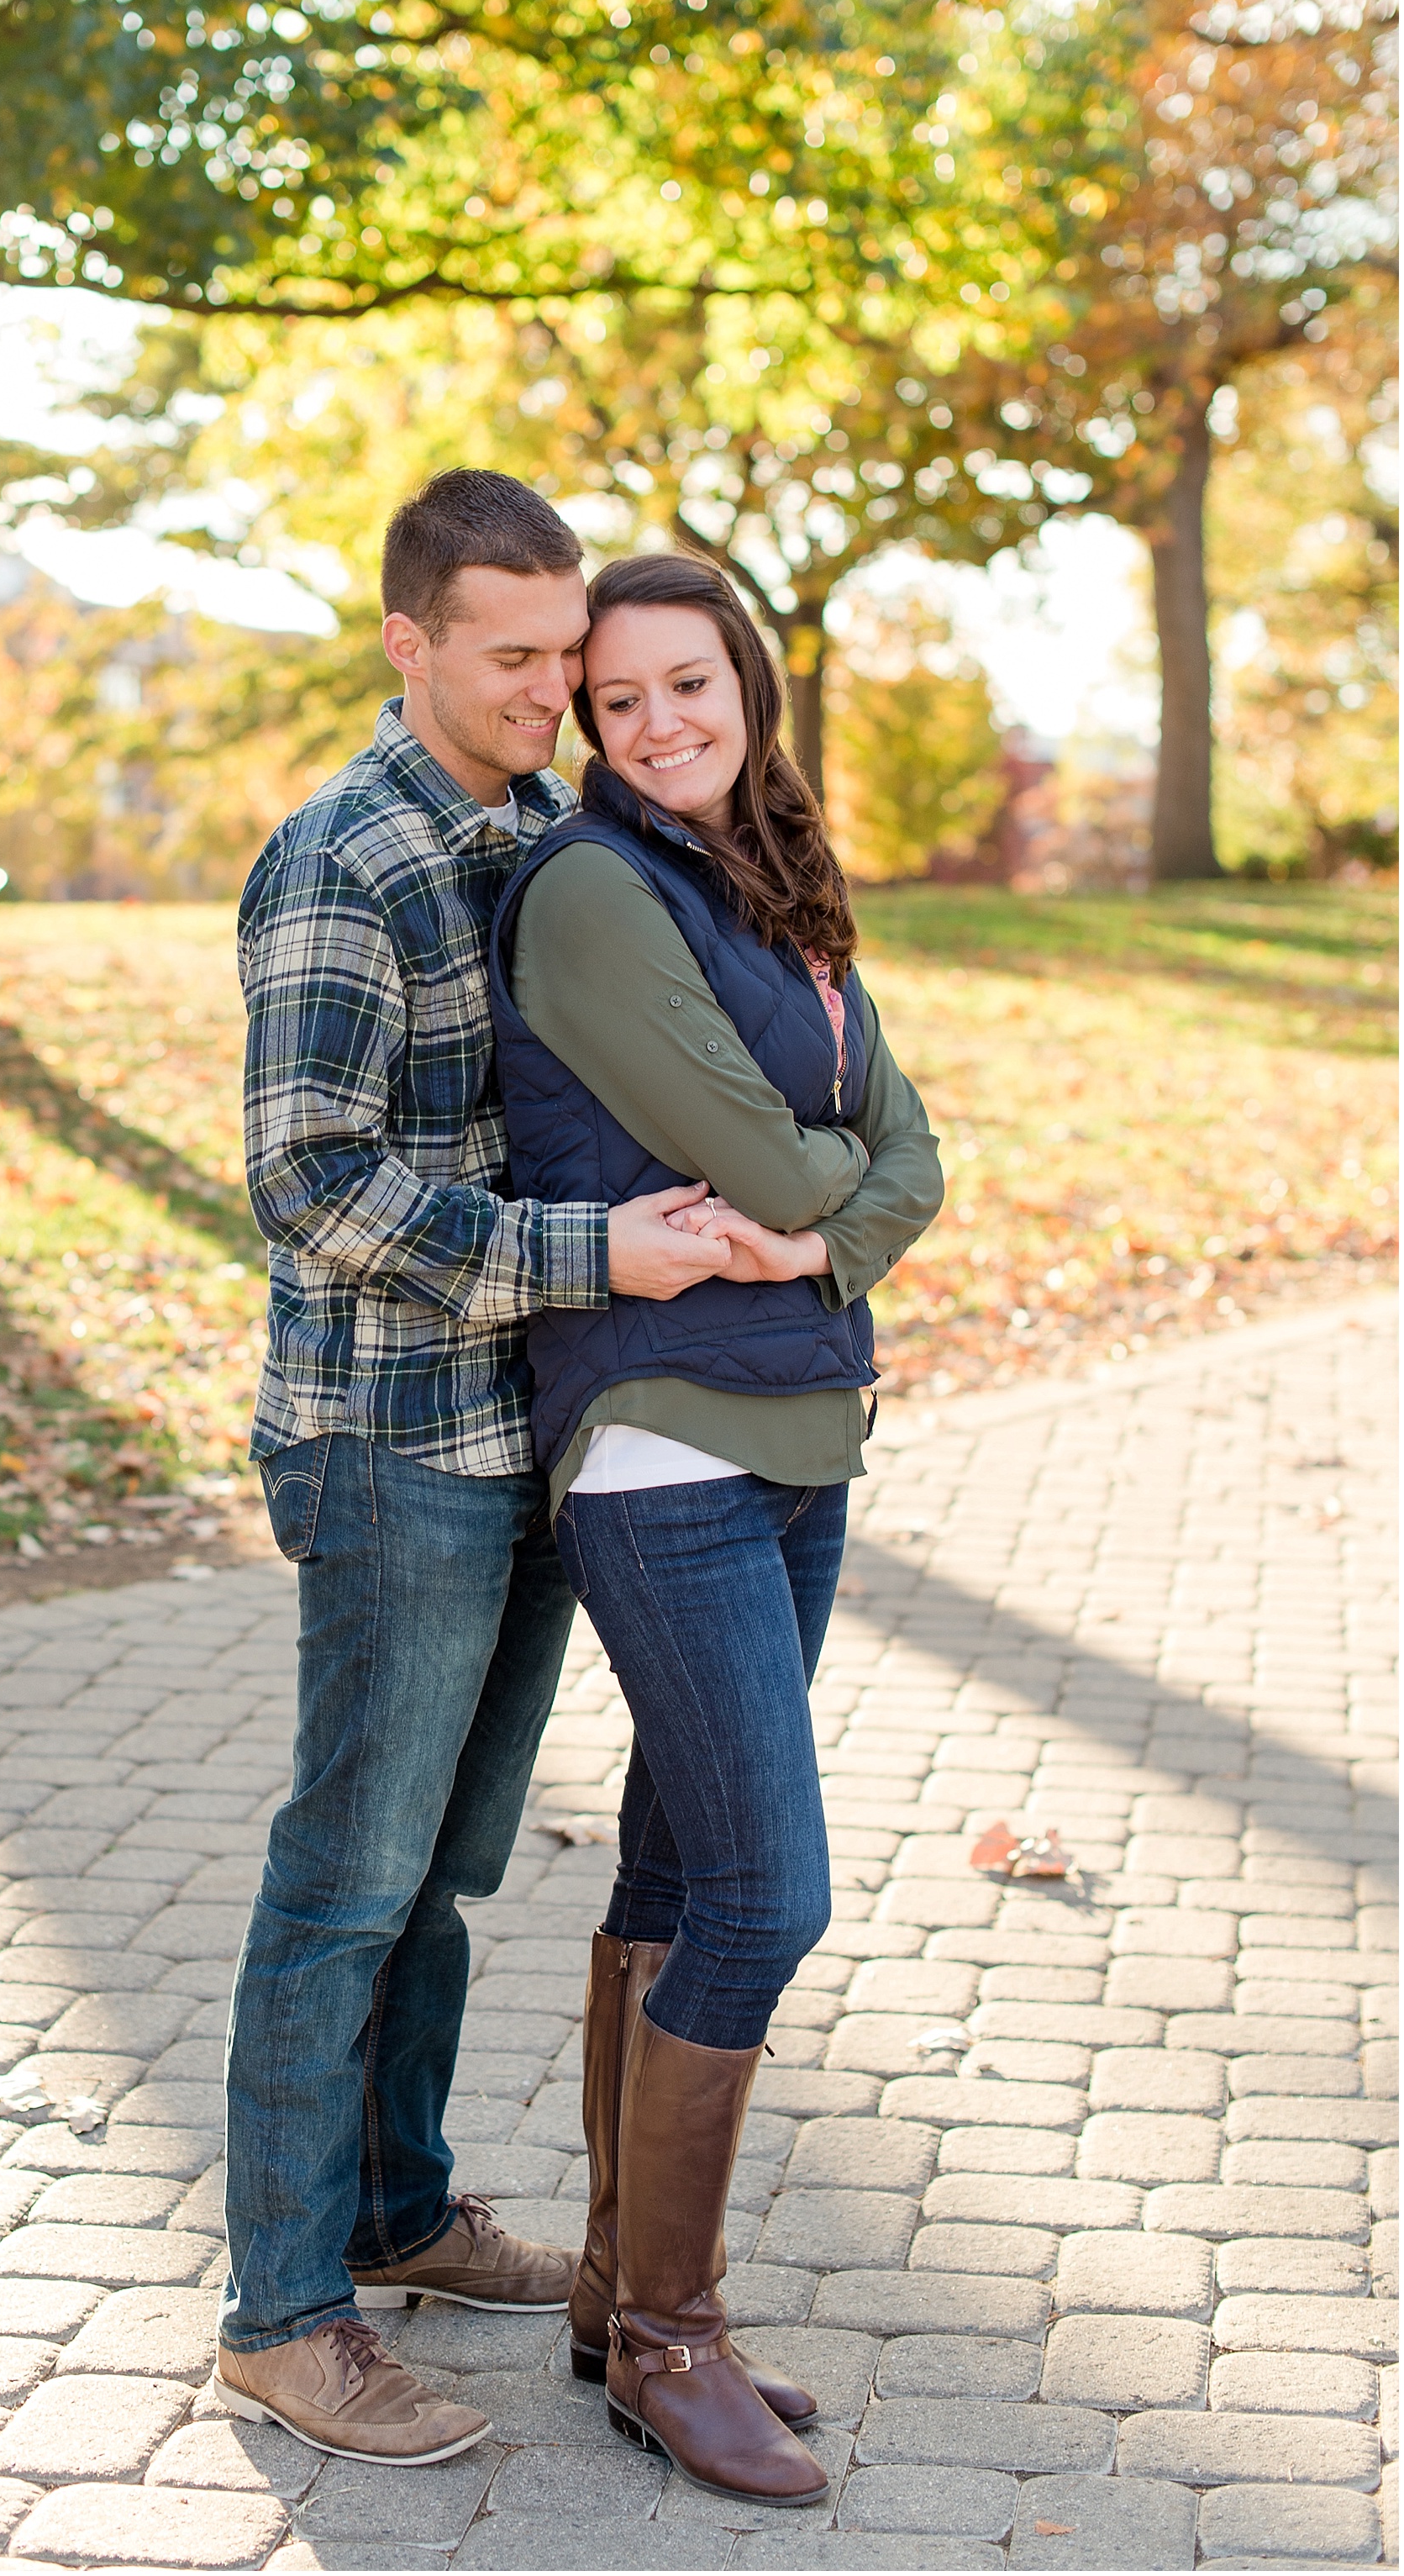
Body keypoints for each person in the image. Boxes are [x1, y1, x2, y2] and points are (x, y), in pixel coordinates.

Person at [215, 476, 735, 2466]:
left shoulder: (542, 830)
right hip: (385, 1449)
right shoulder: (345, 859)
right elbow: (309, 1180)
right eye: (510, 656)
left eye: (564, 654)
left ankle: (401, 2210)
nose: (552, 690)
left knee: (439, 1871)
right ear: (405, 644)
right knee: (341, 1883)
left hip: (523, 1440)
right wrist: (583, 1256)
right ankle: (283, 2311)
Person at [488, 550, 944, 2505]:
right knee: (768, 1897)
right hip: (661, 1447)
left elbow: (904, 1158)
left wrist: (817, 1229)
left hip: (797, 1440)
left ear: (744, 684)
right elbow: (782, 1158)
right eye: (616, 702)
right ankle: (676, 2337)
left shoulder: (767, 883)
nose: (658, 724)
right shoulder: (590, 889)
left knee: (679, 1887)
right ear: (585, 727)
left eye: (687, 685)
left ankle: (617, 2299)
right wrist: (822, 1208)